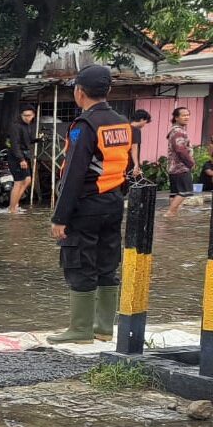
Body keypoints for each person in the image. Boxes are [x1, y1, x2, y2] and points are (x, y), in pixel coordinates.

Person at [47, 64, 133, 344]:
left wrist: (60, 217)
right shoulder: (122, 122)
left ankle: (81, 330)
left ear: (79, 92)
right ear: (108, 91)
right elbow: (127, 165)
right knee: (107, 262)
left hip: (86, 205)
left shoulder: (84, 126)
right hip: (113, 201)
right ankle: (104, 328)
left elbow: (73, 174)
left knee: (80, 262)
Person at [165, 106, 195, 220]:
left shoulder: (175, 130)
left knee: (175, 193)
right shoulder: (178, 131)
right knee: (185, 191)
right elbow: (180, 149)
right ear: (176, 118)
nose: (186, 117)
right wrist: (191, 162)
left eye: (188, 114)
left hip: (174, 167)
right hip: (180, 167)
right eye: (183, 115)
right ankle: (170, 213)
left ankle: (171, 218)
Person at [8, 104, 37, 214]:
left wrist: (38, 139)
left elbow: (28, 140)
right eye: (24, 116)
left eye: (29, 115)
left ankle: (14, 204)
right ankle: (12, 209)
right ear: (21, 115)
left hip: (23, 155)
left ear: (33, 115)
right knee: (19, 182)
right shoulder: (16, 126)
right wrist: (21, 159)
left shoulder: (27, 126)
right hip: (16, 156)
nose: (27, 118)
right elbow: (14, 145)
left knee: (27, 180)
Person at [129, 109, 151, 177]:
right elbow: (134, 148)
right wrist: (136, 164)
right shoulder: (136, 130)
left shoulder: (124, 127)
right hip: (129, 162)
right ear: (141, 120)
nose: (144, 124)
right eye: (145, 122)